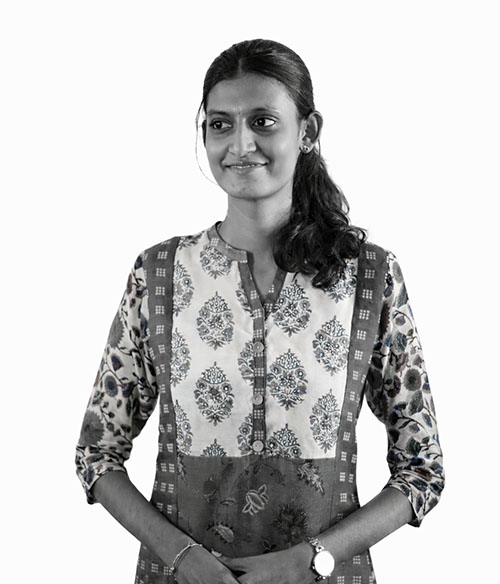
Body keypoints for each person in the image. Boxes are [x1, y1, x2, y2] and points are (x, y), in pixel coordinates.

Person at [75, 38, 445, 584]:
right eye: (220, 124)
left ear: (308, 132)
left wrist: (313, 559)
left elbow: (422, 469)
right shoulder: (159, 276)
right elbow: (96, 454)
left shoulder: (369, 277)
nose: (239, 143)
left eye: (263, 121)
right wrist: (182, 558)